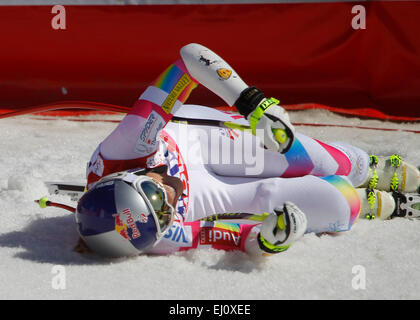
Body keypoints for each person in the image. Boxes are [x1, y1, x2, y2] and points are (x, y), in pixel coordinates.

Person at [75, 43, 420, 258]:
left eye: (152, 189)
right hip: (205, 195)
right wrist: (271, 239)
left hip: (190, 142)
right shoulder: (157, 236)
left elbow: (191, 58)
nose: (169, 193)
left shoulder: (128, 143)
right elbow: (239, 240)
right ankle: (369, 202)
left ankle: (363, 165)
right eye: (164, 211)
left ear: (127, 174)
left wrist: (253, 105)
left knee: (307, 157)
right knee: (336, 202)